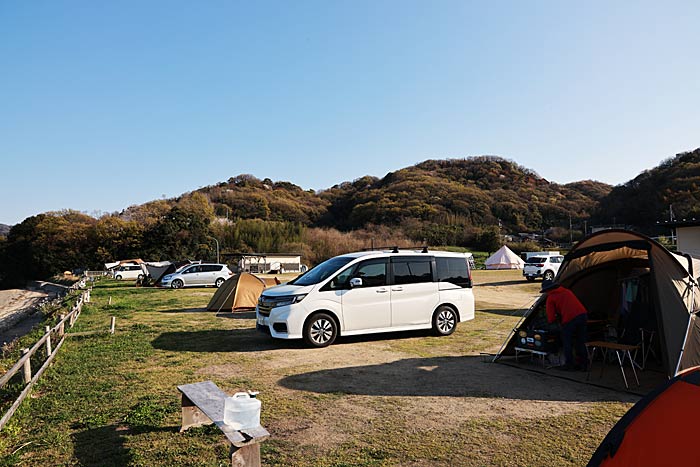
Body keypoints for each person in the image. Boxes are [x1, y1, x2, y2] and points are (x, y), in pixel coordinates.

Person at [541, 279, 589, 371]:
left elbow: (551, 317)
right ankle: (583, 364)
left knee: (567, 341)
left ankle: (569, 364)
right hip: (582, 315)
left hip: (569, 319)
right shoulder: (567, 291)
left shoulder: (551, 298)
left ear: (547, 290)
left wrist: (553, 323)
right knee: (580, 341)